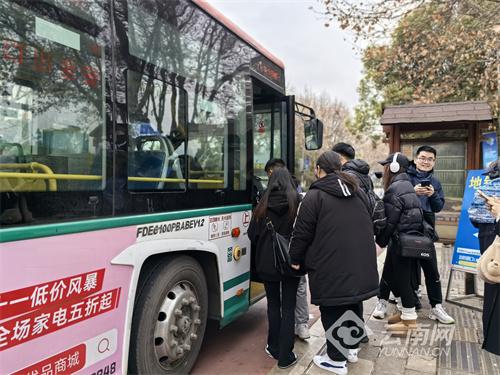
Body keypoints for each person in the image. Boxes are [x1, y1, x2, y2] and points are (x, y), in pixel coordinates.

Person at [289, 151, 379, 375]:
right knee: (353, 302)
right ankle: (351, 349)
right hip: (360, 262)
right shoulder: (357, 191)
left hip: (330, 264)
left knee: (333, 307)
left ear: (319, 169)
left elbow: (301, 233)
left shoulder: (315, 196)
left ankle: (336, 359)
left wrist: (295, 259)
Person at [374, 146, 455, 324]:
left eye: (430, 159)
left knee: (431, 267)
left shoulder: (435, 182)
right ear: (415, 159)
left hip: (425, 225)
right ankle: (383, 301)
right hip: (403, 226)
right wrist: (413, 191)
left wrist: (432, 195)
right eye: (423, 158)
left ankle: (436, 306)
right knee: (392, 266)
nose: (426, 161)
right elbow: (397, 199)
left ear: (434, 161)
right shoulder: (405, 177)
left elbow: (438, 206)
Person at [248, 167, 301, 369]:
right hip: (291, 261)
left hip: (267, 263)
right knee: (289, 307)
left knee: (273, 305)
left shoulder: (262, 205)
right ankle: (286, 355)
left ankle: (273, 346)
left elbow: (252, 235)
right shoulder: (297, 203)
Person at [332, 142, 377, 343]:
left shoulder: (347, 177)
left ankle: (350, 337)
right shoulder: (364, 175)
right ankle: (360, 333)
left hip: (348, 238)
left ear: (341, 158)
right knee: (355, 291)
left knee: (346, 290)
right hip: (363, 235)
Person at [375, 152, 424, 334]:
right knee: (394, 275)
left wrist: (381, 240)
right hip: (407, 239)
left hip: (400, 240)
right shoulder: (406, 185)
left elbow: (390, 221)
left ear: (393, 168)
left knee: (403, 281)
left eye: (386, 166)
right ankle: (405, 314)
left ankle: (409, 320)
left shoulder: (395, 189)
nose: (384, 169)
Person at [263, 158, 311, 340]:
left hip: (271, 259)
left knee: (274, 302)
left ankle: (276, 340)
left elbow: (253, 233)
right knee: (296, 292)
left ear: (273, 174)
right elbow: (304, 230)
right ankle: (299, 327)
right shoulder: (297, 198)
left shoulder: (264, 201)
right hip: (294, 256)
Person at [468, 160, 500, 355]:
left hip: (488, 233)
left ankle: (489, 329)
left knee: (491, 279)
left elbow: (473, 214)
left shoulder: (485, 185)